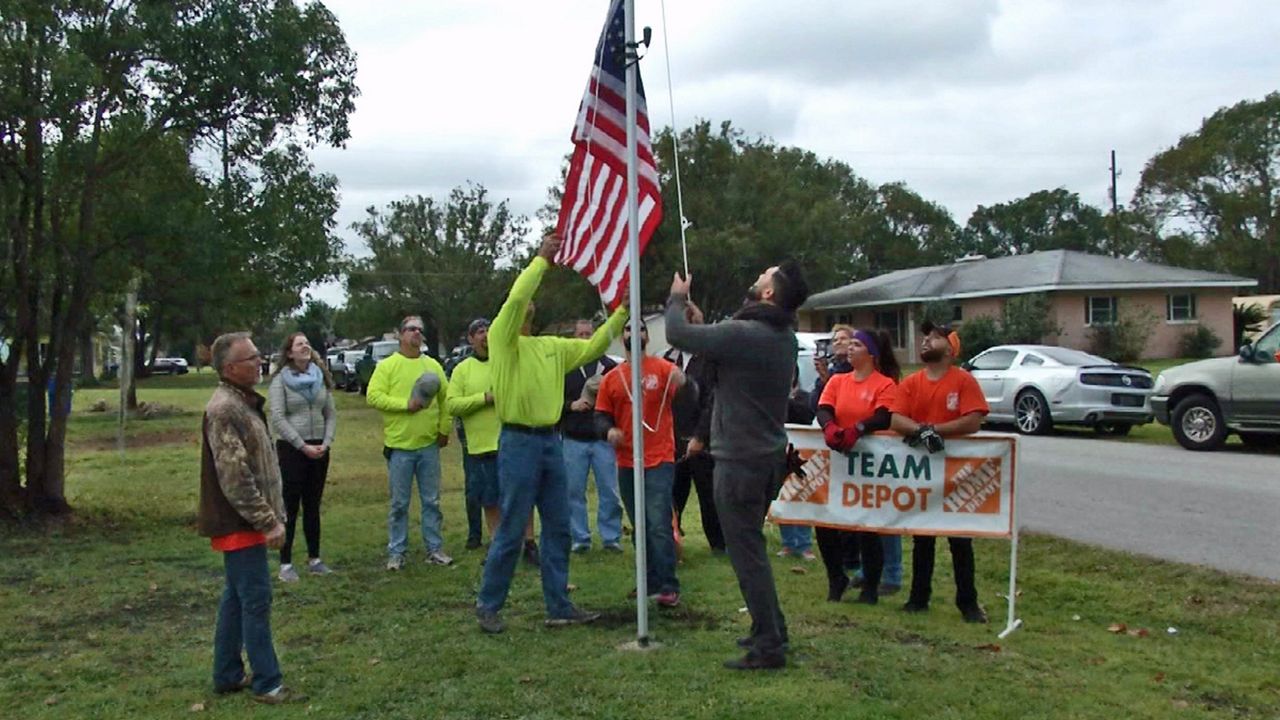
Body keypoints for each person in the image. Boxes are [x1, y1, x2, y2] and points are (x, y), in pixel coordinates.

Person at [474, 232, 627, 634]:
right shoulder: (502, 342)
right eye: (520, 307)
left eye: (527, 309)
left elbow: (593, 347)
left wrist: (621, 313)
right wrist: (541, 261)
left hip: (549, 441)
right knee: (512, 527)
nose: (523, 311)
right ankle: (489, 605)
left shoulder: (550, 348)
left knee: (558, 525)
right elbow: (514, 300)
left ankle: (559, 605)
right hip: (518, 442)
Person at [665, 260, 809, 671]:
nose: (762, 273)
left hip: (740, 462)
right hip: (764, 460)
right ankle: (773, 628)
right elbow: (723, 348)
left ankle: (769, 645)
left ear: (768, 294)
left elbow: (676, 333)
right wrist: (706, 327)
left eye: (768, 273)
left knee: (746, 556)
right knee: (753, 551)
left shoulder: (748, 333)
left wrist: (677, 298)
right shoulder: (781, 335)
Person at [198, 332, 305, 704]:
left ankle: (226, 674)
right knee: (255, 600)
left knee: (236, 598)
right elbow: (235, 477)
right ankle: (267, 682)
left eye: (259, 355)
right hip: (240, 522)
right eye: (250, 358)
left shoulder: (243, 403)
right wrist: (267, 521)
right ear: (230, 368)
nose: (259, 362)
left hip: (246, 521)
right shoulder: (225, 409)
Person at [890, 321, 990, 623]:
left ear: (950, 348)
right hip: (922, 473)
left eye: (934, 338)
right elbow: (896, 418)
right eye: (925, 337)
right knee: (922, 537)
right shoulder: (911, 382)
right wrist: (922, 432)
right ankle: (918, 597)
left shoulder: (963, 381)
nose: (925, 341)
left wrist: (937, 431)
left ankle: (968, 602)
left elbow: (973, 419)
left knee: (960, 539)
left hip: (957, 473)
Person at [595, 320, 686, 606]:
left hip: (659, 458)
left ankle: (668, 585)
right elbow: (600, 415)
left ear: (647, 336)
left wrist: (684, 382)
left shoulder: (662, 369)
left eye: (641, 328)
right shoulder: (613, 378)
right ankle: (648, 581)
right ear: (622, 337)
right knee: (639, 526)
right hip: (627, 461)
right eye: (628, 329)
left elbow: (688, 391)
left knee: (658, 523)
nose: (635, 333)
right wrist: (608, 431)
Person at [814, 327, 901, 604]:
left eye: (856, 345)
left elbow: (884, 415)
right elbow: (824, 406)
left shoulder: (884, 384)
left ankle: (871, 588)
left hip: (870, 464)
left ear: (871, 353)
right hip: (840, 461)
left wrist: (859, 428)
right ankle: (835, 576)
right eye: (848, 344)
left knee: (867, 524)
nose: (849, 348)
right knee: (825, 520)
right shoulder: (838, 381)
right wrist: (829, 426)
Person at [366, 316, 453, 570]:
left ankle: (434, 549)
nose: (416, 333)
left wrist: (443, 428)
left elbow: (446, 399)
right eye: (411, 329)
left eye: (420, 330)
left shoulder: (432, 366)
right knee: (399, 504)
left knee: (432, 501)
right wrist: (406, 405)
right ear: (400, 334)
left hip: (428, 445)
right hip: (400, 446)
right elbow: (374, 396)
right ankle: (396, 551)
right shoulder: (388, 366)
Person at [267, 332, 338, 583]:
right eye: (300, 344)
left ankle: (314, 559)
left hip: (319, 448)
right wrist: (301, 445)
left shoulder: (320, 378)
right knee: (290, 506)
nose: (305, 346)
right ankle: (285, 563)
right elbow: (277, 417)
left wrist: (326, 443)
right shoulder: (280, 381)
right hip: (291, 449)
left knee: (313, 504)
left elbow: (330, 414)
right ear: (289, 353)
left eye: (307, 343)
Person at [561, 318, 624, 554]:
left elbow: (622, 401)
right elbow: (552, 402)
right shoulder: (565, 367)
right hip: (573, 439)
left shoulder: (609, 367)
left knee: (609, 490)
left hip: (602, 441)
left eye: (589, 334)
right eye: (581, 334)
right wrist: (571, 405)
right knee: (573, 491)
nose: (585, 338)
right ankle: (580, 538)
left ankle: (611, 537)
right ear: (574, 337)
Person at [663, 341, 724, 553]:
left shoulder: (708, 360)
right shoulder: (667, 358)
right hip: (672, 441)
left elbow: (712, 401)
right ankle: (670, 542)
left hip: (703, 442)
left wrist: (700, 436)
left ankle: (719, 544)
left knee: (709, 496)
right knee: (672, 494)